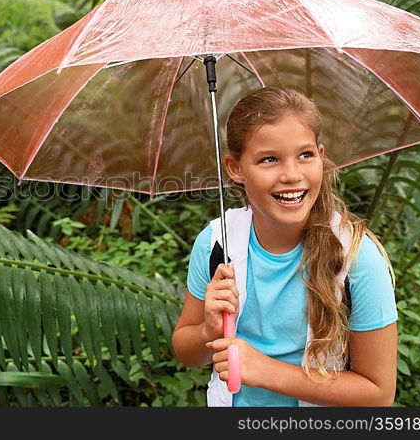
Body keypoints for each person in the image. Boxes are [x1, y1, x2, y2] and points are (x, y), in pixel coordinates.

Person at [171, 87, 398, 406]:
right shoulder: (217, 244)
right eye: (269, 159)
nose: (291, 175)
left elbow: (379, 393)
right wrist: (209, 329)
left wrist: (266, 371)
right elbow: (187, 353)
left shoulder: (358, 259)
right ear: (235, 169)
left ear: (321, 155)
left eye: (305, 155)